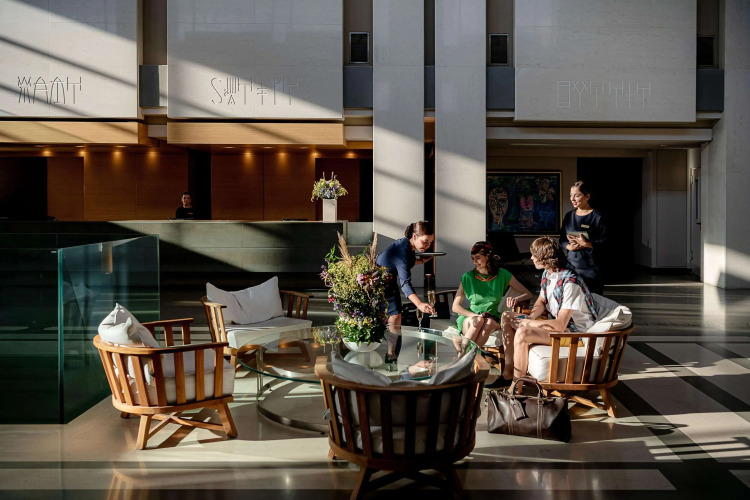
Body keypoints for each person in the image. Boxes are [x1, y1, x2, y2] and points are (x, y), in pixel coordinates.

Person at [497, 236, 598, 387]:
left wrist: (528, 323)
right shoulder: (548, 273)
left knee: (523, 332)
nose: (531, 258)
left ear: (545, 258)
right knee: (507, 316)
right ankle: (508, 373)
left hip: (575, 334)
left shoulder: (570, 283)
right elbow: (541, 300)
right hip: (559, 326)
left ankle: (516, 387)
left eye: (534, 255)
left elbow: (560, 326)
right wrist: (532, 316)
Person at [451, 241, 533, 349]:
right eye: (473, 258)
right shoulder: (468, 277)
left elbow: (528, 294)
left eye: (478, 258)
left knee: (488, 322)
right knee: (479, 321)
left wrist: (516, 299)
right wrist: (476, 316)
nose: (474, 262)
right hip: (470, 317)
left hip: (492, 317)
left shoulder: (503, 274)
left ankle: (464, 355)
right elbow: (455, 307)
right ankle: (469, 356)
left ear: (488, 257)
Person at [376, 221, 437, 331]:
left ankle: (393, 340)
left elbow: (402, 263)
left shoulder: (406, 244)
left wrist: (421, 261)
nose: (428, 245)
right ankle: (393, 341)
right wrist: (419, 304)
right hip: (380, 285)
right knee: (394, 316)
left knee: (395, 316)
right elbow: (405, 283)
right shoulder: (402, 252)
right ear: (414, 236)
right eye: (425, 242)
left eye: (430, 243)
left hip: (387, 282)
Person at [560, 180, 606, 295]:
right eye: (571, 195)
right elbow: (562, 239)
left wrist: (587, 244)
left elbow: (606, 242)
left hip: (591, 269)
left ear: (587, 196)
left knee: (593, 301)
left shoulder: (598, 217)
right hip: (571, 267)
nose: (572, 199)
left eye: (577, 195)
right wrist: (569, 246)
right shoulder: (569, 216)